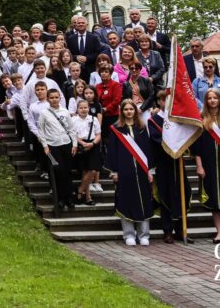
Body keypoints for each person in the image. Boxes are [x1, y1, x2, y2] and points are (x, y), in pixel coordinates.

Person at [106, 99, 155, 246]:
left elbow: (148, 150)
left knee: (144, 200)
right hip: (124, 170)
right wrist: (114, 171)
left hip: (141, 171)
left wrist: (150, 170)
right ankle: (129, 235)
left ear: (135, 111)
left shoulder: (141, 127)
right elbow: (112, 151)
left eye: (131, 109)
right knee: (126, 200)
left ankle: (144, 234)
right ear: (122, 111)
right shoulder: (116, 129)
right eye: (126, 109)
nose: (128, 112)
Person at [147, 89, 193, 244]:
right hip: (163, 162)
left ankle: (181, 229)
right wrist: (172, 146)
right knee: (165, 195)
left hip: (178, 161)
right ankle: (167, 230)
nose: (165, 103)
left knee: (182, 193)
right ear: (159, 102)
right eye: (162, 100)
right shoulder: (153, 120)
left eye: (168, 100)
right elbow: (156, 139)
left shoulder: (178, 120)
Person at [193, 88, 220, 244]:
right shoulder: (201, 120)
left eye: (215, 98)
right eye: (209, 98)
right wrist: (199, 166)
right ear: (206, 101)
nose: (212, 101)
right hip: (208, 165)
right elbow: (196, 147)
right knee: (213, 201)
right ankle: (219, 232)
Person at [37, 88, 78, 209]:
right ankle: (60, 198)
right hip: (52, 146)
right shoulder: (44, 113)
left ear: (60, 98)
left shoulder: (65, 112)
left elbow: (71, 129)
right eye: (52, 98)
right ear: (48, 99)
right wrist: (45, 146)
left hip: (66, 144)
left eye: (56, 97)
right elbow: (41, 130)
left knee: (67, 171)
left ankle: (69, 198)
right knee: (58, 171)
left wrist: (74, 144)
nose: (54, 100)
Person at [72, 99, 102, 206]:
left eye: (85, 107)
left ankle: (80, 190)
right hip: (80, 145)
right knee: (85, 171)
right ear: (77, 109)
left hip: (93, 145)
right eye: (81, 108)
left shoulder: (93, 119)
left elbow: (98, 134)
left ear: (89, 109)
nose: (83, 110)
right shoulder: (73, 120)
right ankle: (88, 196)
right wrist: (82, 143)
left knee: (92, 170)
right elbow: (72, 134)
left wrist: (92, 144)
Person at [120, 58, 155, 127]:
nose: (134, 70)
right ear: (129, 70)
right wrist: (128, 109)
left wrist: (142, 108)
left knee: (147, 127)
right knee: (133, 128)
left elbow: (151, 96)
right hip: (131, 108)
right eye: (132, 68)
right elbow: (124, 98)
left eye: (136, 68)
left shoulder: (146, 81)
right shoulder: (126, 84)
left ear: (140, 69)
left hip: (144, 107)